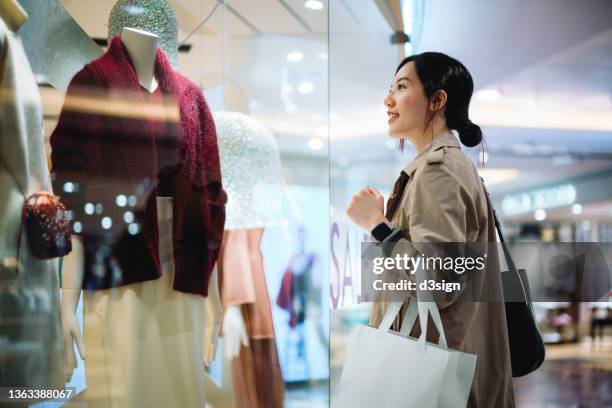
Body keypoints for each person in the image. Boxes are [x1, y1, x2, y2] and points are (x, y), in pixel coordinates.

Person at [346, 52, 515, 407]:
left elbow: (438, 282)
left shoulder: (438, 171)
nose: (387, 99)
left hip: (434, 367)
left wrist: (376, 226)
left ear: (437, 100)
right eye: (390, 88)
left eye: (402, 87)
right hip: (446, 357)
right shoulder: (446, 166)